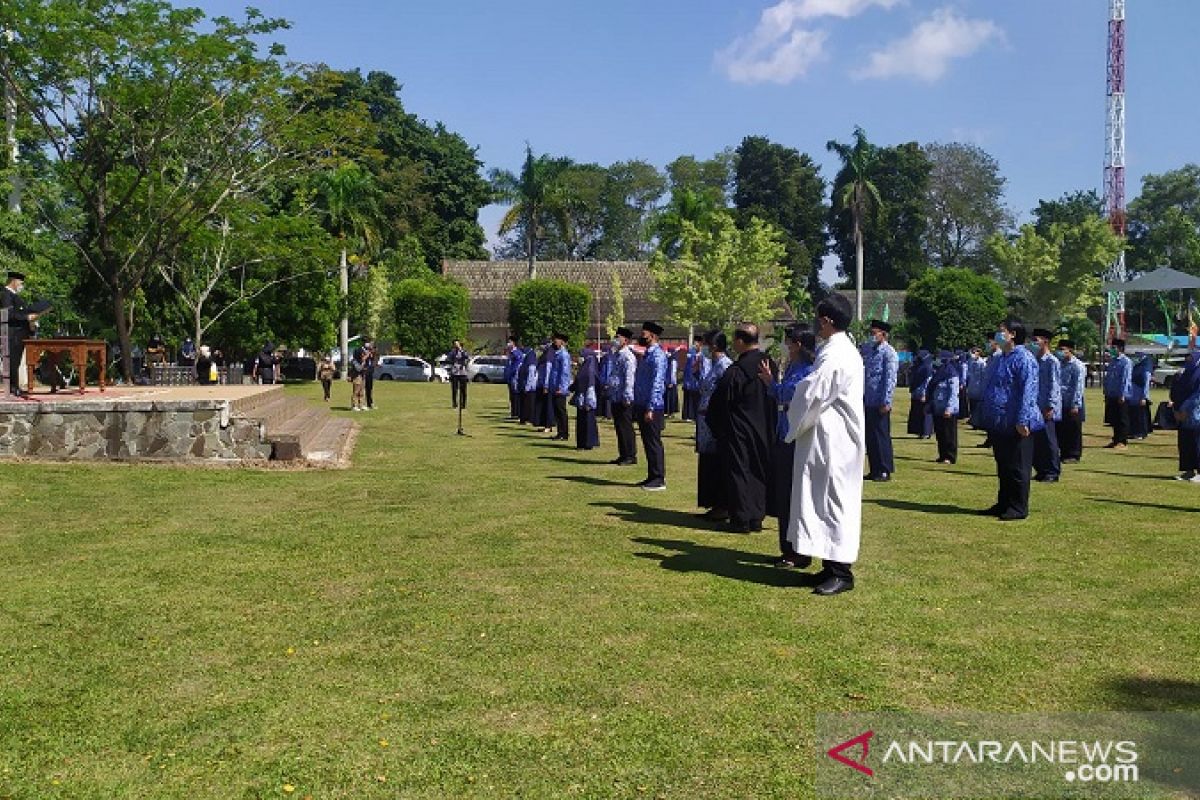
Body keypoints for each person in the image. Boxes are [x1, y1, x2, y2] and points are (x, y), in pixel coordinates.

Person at [783, 293, 865, 596]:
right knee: (819, 499)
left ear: (827, 321)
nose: (816, 323)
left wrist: (792, 405)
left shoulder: (837, 355)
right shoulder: (833, 350)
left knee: (833, 500)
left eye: (819, 318)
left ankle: (841, 571)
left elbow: (813, 393)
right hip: (824, 438)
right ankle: (829, 566)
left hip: (835, 442)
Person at [707, 322, 776, 533]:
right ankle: (756, 517)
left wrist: (718, 427)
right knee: (759, 470)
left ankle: (741, 519)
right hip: (764, 427)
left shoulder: (737, 370)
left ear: (739, 341)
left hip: (739, 431)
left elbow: (720, 402)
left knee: (739, 472)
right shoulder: (768, 364)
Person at [760, 326, 815, 567]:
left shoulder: (807, 370)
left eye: (789, 343)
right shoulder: (793, 366)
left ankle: (798, 551)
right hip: (783, 433)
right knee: (783, 496)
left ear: (798, 345)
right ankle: (788, 548)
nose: (786, 347)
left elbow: (791, 394)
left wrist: (772, 383)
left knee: (792, 496)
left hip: (794, 438)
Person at [977, 318, 1042, 521]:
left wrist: (1023, 420)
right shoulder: (1000, 358)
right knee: (1003, 464)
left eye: (1001, 331)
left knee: (1017, 466)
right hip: (999, 420)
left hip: (1017, 420)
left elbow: (1028, 392)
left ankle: (1018, 506)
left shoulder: (1024, 359)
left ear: (1013, 334)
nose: (998, 334)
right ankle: (1004, 502)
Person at [695, 330, 732, 520]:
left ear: (714, 346)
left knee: (716, 464)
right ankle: (712, 504)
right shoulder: (712, 365)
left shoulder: (725, 366)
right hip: (705, 423)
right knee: (708, 463)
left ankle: (721, 506)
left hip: (715, 424)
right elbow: (704, 387)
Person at [632, 321, 669, 491]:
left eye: (644, 333)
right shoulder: (647, 354)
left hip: (652, 406)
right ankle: (652, 475)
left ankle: (659, 478)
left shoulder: (658, 356)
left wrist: (651, 407)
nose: (641, 336)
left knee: (653, 442)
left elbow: (657, 383)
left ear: (652, 336)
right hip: (642, 403)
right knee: (647, 442)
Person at [862, 319, 898, 481]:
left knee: (881, 435)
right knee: (870, 436)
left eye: (874, 333)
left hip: (880, 400)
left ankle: (884, 469)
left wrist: (886, 401)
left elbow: (890, 378)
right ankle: (874, 468)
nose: (872, 336)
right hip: (868, 399)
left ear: (883, 334)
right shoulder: (870, 351)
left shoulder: (889, 353)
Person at [1, 271, 44, 395]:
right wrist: (26, 317)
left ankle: (15, 386)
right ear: (13, 280)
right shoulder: (6, 295)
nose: (21, 285)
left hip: (20, 333)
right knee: (12, 361)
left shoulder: (15, 296)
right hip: (12, 333)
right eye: (20, 282)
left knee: (17, 360)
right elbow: (8, 314)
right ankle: (12, 387)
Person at [1030, 329, 1062, 482]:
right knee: (1037, 440)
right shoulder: (1034, 359)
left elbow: (1053, 385)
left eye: (1036, 340)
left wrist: (1050, 405)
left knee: (1049, 440)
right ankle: (1041, 469)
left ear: (1045, 341)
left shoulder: (1052, 361)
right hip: (1034, 405)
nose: (1034, 343)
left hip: (1046, 406)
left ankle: (1052, 471)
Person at [1170, 325, 1200, 481]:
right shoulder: (1184, 370)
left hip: (1195, 412)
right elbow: (1175, 387)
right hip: (1181, 413)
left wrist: (1186, 409)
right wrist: (1175, 407)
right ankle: (1188, 469)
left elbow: (1198, 394)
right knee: (1185, 442)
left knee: (1197, 441)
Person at [607, 327, 638, 466]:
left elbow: (629, 378)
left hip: (624, 396)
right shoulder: (617, 354)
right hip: (615, 395)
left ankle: (630, 455)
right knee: (619, 426)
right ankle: (623, 453)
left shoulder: (628, 357)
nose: (616, 339)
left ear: (625, 340)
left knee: (626, 427)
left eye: (618, 337)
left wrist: (627, 396)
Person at [1057, 340, 1087, 463]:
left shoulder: (1077, 365)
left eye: (1062, 349)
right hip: (1061, 401)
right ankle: (1064, 453)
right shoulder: (1060, 364)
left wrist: (1075, 404)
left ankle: (1074, 454)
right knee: (1062, 429)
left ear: (1070, 350)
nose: (1060, 352)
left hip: (1073, 402)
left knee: (1073, 430)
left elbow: (1078, 386)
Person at [929, 349, 960, 465]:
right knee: (940, 433)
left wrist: (949, 408)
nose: (937, 360)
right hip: (937, 407)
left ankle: (950, 456)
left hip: (948, 409)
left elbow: (953, 393)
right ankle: (942, 455)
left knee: (949, 434)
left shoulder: (952, 374)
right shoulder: (937, 373)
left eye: (939, 358)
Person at [1103, 339, 1132, 449]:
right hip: (1112, 394)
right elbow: (1108, 377)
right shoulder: (1112, 361)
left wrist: (1123, 394)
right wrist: (1106, 390)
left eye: (1114, 347)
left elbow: (1125, 379)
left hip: (1121, 395)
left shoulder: (1126, 362)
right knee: (1114, 419)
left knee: (1122, 419)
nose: (1111, 349)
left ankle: (1122, 441)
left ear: (1120, 348)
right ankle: (1115, 439)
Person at [572, 348, 600, 450]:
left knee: (587, 422)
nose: (580, 358)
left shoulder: (589, 370)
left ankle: (587, 443)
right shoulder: (584, 368)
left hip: (587, 399)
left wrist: (589, 402)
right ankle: (582, 443)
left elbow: (591, 386)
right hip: (581, 398)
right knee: (582, 422)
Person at [549, 332, 572, 441]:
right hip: (555, 386)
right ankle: (560, 432)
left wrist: (562, 387)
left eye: (557, 339)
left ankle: (564, 433)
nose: (555, 341)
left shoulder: (564, 355)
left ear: (562, 342)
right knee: (557, 411)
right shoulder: (557, 353)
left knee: (561, 410)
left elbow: (565, 372)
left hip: (560, 388)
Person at [907, 349, 933, 439]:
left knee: (925, 413)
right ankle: (919, 431)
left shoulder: (927, 367)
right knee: (917, 412)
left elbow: (927, 381)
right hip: (916, 392)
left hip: (923, 393)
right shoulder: (918, 366)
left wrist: (924, 393)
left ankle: (926, 432)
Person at [1128, 353, 1154, 440]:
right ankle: (1133, 432)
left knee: (1141, 416)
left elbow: (1146, 384)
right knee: (1134, 414)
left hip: (1140, 395)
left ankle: (1141, 433)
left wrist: (1144, 397)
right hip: (1133, 395)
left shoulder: (1145, 369)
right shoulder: (1136, 367)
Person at [681, 334, 704, 422]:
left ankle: (694, 416)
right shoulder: (691, 353)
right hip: (690, 380)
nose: (696, 344)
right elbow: (688, 367)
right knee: (689, 399)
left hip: (699, 383)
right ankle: (688, 415)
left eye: (697, 342)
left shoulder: (704, 355)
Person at [966, 346, 988, 429]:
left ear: (979, 353)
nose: (973, 354)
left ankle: (977, 423)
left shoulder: (982, 363)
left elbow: (984, 376)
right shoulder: (970, 361)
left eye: (974, 352)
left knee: (977, 406)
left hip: (979, 387)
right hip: (972, 386)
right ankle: (973, 421)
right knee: (971, 405)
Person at [504, 336, 523, 420]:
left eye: (510, 342)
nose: (508, 344)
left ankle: (517, 413)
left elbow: (517, 364)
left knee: (516, 395)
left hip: (515, 377)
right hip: (509, 377)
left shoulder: (517, 352)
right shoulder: (510, 353)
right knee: (511, 396)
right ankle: (513, 413)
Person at [447, 339, 470, 410]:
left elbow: (467, 357)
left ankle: (463, 405)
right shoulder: (452, 352)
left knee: (463, 390)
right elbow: (449, 358)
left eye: (457, 344)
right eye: (455, 344)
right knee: (454, 389)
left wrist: (461, 350)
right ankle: (455, 404)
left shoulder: (464, 351)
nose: (456, 345)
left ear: (460, 344)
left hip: (462, 373)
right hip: (455, 372)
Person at [519, 344, 538, 425]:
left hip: (530, 387)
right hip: (525, 384)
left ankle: (529, 419)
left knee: (529, 404)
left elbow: (531, 374)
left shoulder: (531, 359)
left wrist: (527, 386)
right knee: (525, 403)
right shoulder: (527, 358)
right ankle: (524, 418)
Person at [663, 346, 681, 418]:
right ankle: (669, 412)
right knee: (669, 397)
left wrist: (669, 381)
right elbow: (672, 372)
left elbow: (671, 371)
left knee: (668, 397)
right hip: (669, 381)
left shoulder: (669, 359)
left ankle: (669, 412)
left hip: (668, 381)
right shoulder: (671, 360)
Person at [348, 344, 367, 411]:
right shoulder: (354, 361)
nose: (363, 355)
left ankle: (361, 405)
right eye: (362, 353)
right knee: (356, 392)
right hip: (356, 377)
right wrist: (363, 364)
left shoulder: (362, 360)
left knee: (362, 391)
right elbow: (358, 369)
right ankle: (354, 406)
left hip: (362, 376)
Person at [362, 341, 377, 410]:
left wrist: (372, 355)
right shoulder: (364, 353)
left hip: (370, 373)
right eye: (371, 347)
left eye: (373, 348)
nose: (372, 349)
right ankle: (363, 404)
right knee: (363, 389)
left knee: (369, 389)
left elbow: (374, 362)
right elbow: (362, 360)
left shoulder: (373, 355)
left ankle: (370, 403)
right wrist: (367, 354)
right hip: (365, 372)